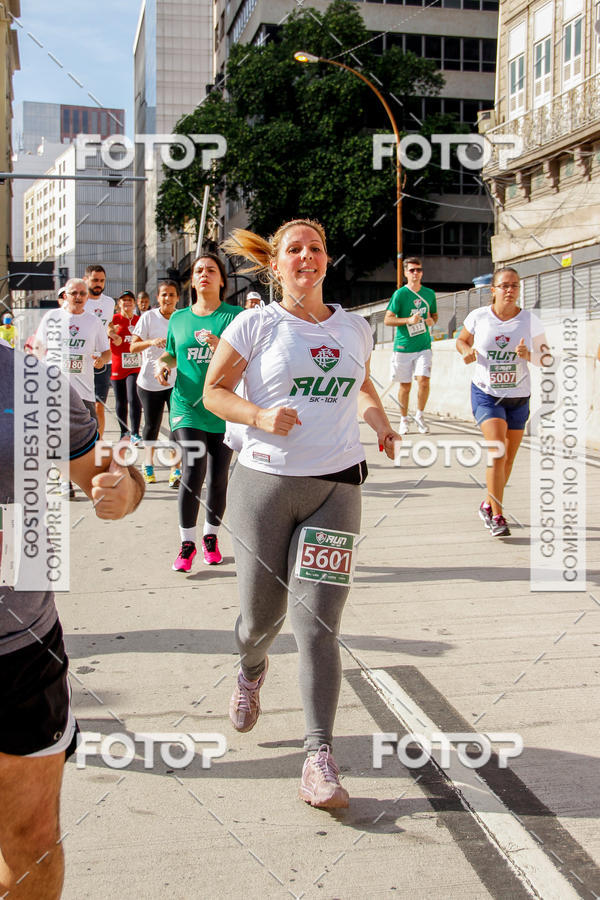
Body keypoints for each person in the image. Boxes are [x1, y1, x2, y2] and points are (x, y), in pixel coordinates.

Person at [204, 219, 399, 809]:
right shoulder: (256, 323)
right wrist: (260, 418)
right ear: (277, 265)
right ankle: (252, 666)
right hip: (264, 486)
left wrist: (380, 420)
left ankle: (319, 758)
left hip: (336, 489)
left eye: (315, 249)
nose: (307, 258)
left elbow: (361, 386)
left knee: (318, 623)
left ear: (326, 259)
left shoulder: (354, 327)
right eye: (295, 250)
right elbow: (215, 392)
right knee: (259, 622)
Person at [0, 342, 144, 900]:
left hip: (21, 653)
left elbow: (111, 481)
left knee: (31, 840)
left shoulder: (36, 384)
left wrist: (120, 492)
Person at [155, 255, 242, 571]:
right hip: (185, 407)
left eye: (211, 270)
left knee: (219, 478)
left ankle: (210, 537)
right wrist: (163, 365)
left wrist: (221, 345)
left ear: (222, 280)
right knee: (193, 471)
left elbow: (245, 361)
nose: (204, 274)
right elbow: (171, 354)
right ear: (192, 280)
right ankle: (186, 544)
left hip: (223, 407)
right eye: (198, 271)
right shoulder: (178, 319)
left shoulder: (236, 316)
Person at [456, 266, 547, 537]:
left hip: (518, 397)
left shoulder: (530, 320)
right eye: (504, 285)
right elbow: (460, 340)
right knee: (498, 453)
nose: (510, 290)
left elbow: (546, 358)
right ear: (493, 289)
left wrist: (528, 354)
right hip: (486, 394)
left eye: (514, 286)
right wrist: (466, 351)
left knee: (507, 461)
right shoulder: (479, 316)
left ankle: (487, 503)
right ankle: (497, 516)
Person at [33, 278, 110, 498]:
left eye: (82, 294)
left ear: (87, 297)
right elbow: (37, 350)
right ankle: (64, 479)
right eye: (73, 293)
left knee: (85, 438)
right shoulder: (51, 318)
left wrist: (101, 360)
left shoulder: (94, 322)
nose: (78, 297)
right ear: (65, 295)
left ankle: (82, 477)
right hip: (53, 388)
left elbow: (107, 352)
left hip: (83, 390)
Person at [130, 280, 181, 487]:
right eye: (163, 295)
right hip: (150, 382)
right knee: (152, 425)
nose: (167, 299)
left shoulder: (181, 318)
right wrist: (151, 342)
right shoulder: (148, 317)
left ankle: (175, 469)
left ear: (178, 297)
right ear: (157, 298)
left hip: (176, 381)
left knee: (176, 425)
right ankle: (148, 464)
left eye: (171, 295)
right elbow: (133, 347)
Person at [383, 257, 438, 435]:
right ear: (405, 273)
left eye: (419, 270)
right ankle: (403, 419)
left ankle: (420, 416)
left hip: (423, 345)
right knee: (405, 386)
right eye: (412, 270)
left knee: (423, 380)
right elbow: (387, 319)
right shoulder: (400, 294)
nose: (416, 273)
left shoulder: (429, 293)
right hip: (404, 347)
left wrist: (431, 320)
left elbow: (434, 316)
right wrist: (408, 320)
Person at [84, 264, 115, 438]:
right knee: (80, 406)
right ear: (86, 279)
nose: (99, 284)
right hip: (81, 363)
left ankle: (98, 444)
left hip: (103, 360)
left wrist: (112, 333)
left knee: (98, 406)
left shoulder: (110, 303)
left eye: (102, 281)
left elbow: (107, 325)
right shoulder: (80, 301)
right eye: (95, 280)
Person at [108, 291, 142, 442]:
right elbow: (106, 329)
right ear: (118, 304)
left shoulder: (139, 320)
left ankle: (135, 433)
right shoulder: (114, 319)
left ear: (134, 303)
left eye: (129, 300)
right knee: (120, 400)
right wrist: (113, 334)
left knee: (134, 396)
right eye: (123, 300)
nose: (127, 302)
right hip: (117, 366)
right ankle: (124, 432)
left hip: (135, 366)